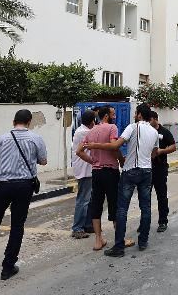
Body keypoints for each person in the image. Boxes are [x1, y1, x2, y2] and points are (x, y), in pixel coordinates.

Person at [0, 109, 47, 281]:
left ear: (14, 121)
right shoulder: (36, 139)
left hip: (3, 186)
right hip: (24, 186)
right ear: (29, 122)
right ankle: (8, 267)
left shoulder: (1, 139)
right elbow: (43, 161)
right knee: (17, 225)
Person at [85, 103, 159, 257]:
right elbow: (154, 153)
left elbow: (115, 145)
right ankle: (143, 241)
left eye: (135, 113)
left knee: (122, 209)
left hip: (130, 171)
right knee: (145, 207)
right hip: (147, 171)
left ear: (139, 114)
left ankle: (119, 247)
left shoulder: (132, 127)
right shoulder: (154, 132)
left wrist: (94, 145)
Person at [76, 106, 123, 252]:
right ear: (106, 116)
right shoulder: (112, 128)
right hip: (110, 171)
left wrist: (93, 162)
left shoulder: (92, 131)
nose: (114, 116)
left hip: (96, 172)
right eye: (113, 114)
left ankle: (98, 240)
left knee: (96, 204)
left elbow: (79, 151)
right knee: (114, 203)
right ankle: (119, 239)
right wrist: (121, 160)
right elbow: (114, 147)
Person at [70, 110, 95, 238]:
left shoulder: (82, 130)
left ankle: (87, 225)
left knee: (89, 199)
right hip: (85, 170)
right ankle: (77, 228)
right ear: (92, 121)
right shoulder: (85, 132)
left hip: (86, 169)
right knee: (83, 200)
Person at [151, 110, 177, 232]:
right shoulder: (146, 131)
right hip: (146, 168)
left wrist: (162, 151)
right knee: (144, 196)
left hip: (159, 168)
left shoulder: (164, 132)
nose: (148, 122)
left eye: (150, 120)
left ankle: (163, 221)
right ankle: (144, 222)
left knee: (161, 195)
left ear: (155, 119)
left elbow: (173, 146)